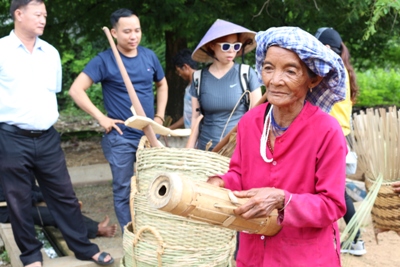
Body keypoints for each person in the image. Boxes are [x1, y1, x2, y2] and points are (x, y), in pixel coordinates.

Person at [207, 26, 348, 266]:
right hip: (253, 255)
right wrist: (219, 182)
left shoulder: (327, 131)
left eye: (290, 71)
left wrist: (283, 199)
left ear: (313, 79)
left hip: (304, 257)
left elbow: (332, 205)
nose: (275, 80)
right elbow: (240, 174)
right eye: (268, 68)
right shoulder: (251, 121)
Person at [0, 1, 114, 266]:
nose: (43, 19)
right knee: (18, 200)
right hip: (11, 137)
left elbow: (53, 93)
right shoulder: (1, 50)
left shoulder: (50, 52)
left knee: (64, 195)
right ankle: (31, 257)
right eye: (38, 14)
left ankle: (84, 248)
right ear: (19, 14)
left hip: (47, 137)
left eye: (45, 15)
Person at [69, 8, 168, 231]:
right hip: (121, 137)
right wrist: (101, 118)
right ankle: (130, 235)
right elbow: (76, 90)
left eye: (137, 30)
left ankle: (153, 232)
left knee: (154, 183)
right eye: (127, 31)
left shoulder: (149, 56)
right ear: (114, 33)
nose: (133, 36)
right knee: (123, 188)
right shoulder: (104, 60)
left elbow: (162, 84)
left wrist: (159, 116)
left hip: (149, 134)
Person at [315, 27, 365, 256]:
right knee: (334, 189)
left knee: (336, 191)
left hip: (330, 137)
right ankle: (353, 239)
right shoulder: (344, 69)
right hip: (339, 136)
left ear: (326, 48)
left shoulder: (330, 69)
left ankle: (355, 239)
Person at [188, 19, 262, 150]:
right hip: (206, 151)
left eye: (236, 46)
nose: (232, 51)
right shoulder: (198, 78)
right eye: (226, 46)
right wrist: (188, 150)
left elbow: (257, 115)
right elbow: (195, 117)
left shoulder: (246, 74)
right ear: (212, 46)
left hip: (237, 149)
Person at [0, 183, 117, 239]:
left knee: (60, 201)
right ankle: (96, 230)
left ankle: (94, 226)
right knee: (52, 215)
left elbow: (30, 187)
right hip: (8, 210)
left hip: (22, 203)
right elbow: (17, 194)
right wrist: (45, 196)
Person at [169, 48, 198, 130]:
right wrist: (169, 129)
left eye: (178, 71)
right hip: (191, 137)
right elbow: (188, 115)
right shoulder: (189, 87)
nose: (179, 75)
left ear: (185, 67)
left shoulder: (200, 85)